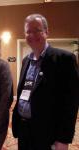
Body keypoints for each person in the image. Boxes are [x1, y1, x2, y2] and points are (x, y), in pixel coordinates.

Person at [12, 14, 79, 150]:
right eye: (28, 31)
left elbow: (71, 103)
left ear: (46, 32)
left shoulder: (64, 59)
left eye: (37, 30)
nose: (32, 35)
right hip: (24, 130)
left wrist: (63, 139)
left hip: (48, 132)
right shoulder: (26, 61)